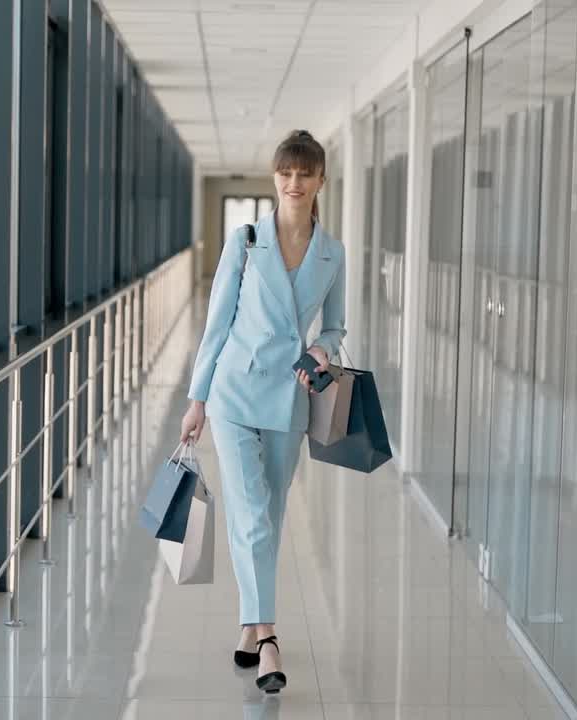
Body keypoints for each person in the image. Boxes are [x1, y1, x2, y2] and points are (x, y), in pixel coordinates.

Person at [179, 129, 346, 694]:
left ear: (321, 179)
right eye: (285, 172)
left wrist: (321, 349)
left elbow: (338, 326)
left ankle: (249, 628)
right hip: (233, 395)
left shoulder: (332, 252)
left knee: (267, 520)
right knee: (251, 513)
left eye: (305, 173)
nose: (293, 182)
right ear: (275, 177)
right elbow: (216, 322)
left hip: (289, 401)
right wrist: (197, 398)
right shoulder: (246, 240)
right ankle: (270, 638)